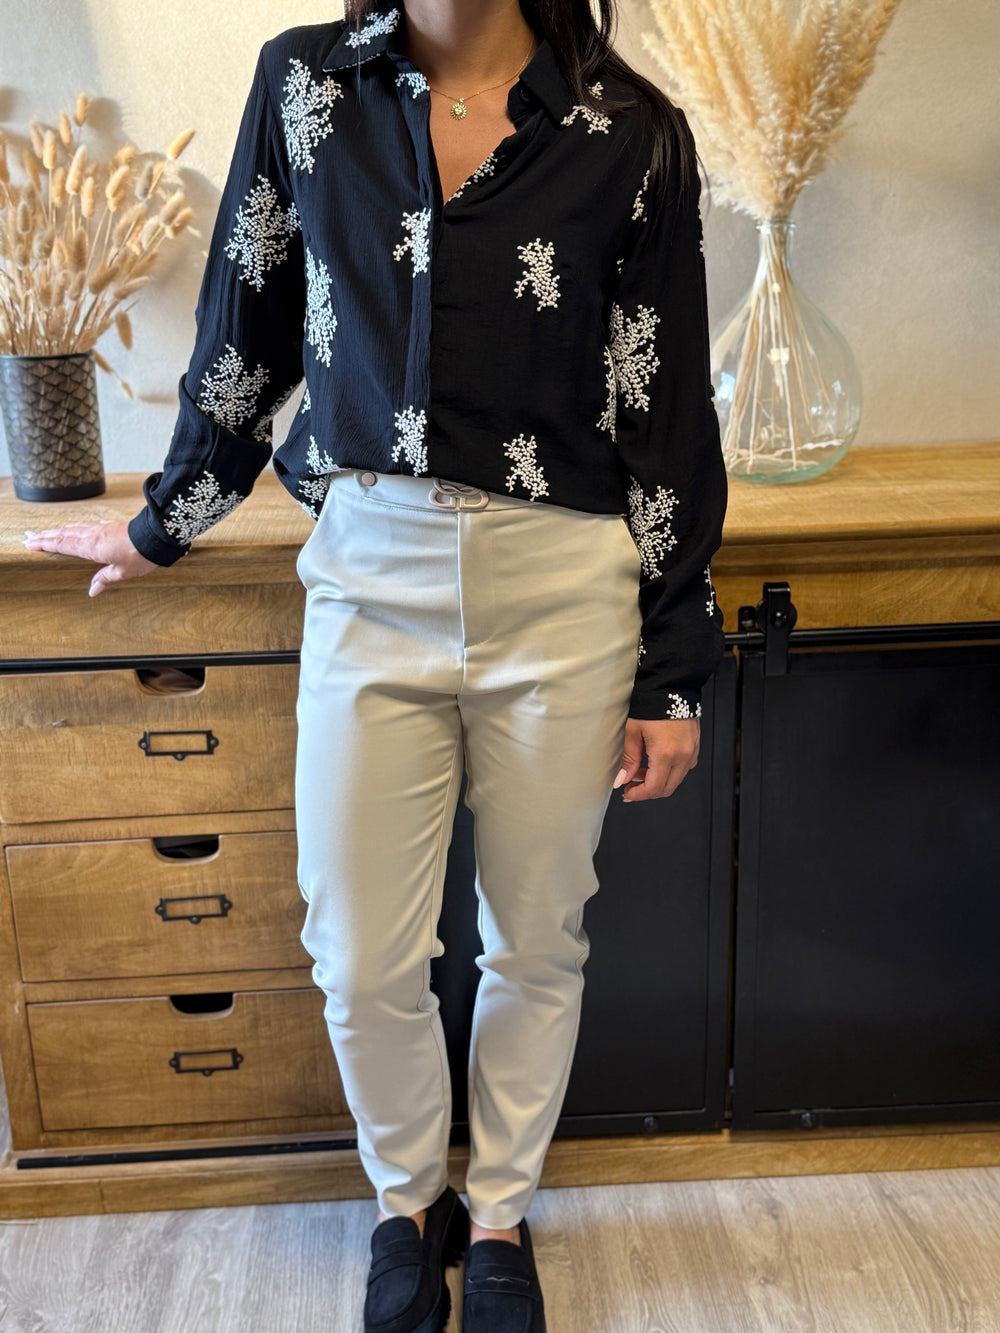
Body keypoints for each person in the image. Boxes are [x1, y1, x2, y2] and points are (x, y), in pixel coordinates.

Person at [22, 0, 728, 1327]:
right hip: (370, 570)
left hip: (563, 583)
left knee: (537, 936)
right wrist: (161, 523)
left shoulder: (632, 132)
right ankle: (408, 1203)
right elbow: (246, 322)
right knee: (356, 950)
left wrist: (673, 666)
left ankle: (500, 1214)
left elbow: (666, 405)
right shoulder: (307, 86)